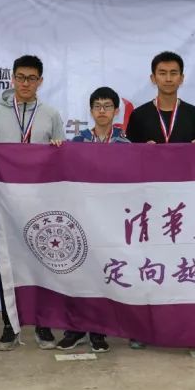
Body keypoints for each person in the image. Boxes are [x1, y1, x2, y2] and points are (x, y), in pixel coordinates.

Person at [0, 55, 65, 351]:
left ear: (40, 81)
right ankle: (9, 326)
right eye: (20, 77)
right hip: (6, 201)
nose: (25, 83)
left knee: (44, 261)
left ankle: (43, 325)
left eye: (31, 78)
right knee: (9, 263)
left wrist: (57, 147)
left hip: (42, 200)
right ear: (12, 78)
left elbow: (63, 155)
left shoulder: (51, 114)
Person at [124, 51, 195, 349]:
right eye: (163, 73)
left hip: (185, 205)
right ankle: (142, 329)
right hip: (149, 204)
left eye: (174, 73)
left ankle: (183, 324)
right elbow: (125, 159)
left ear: (182, 78)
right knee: (148, 265)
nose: (168, 78)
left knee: (182, 265)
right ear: (153, 78)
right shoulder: (139, 116)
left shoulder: (194, 114)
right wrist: (141, 152)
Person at [56, 86, 131, 353]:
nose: (102, 111)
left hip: (110, 219)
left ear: (116, 111)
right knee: (78, 273)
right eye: (97, 106)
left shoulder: (125, 145)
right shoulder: (77, 142)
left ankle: (99, 331)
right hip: (82, 216)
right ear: (90, 111)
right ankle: (75, 329)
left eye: (107, 106)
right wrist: (56, 149)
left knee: (104, 273)